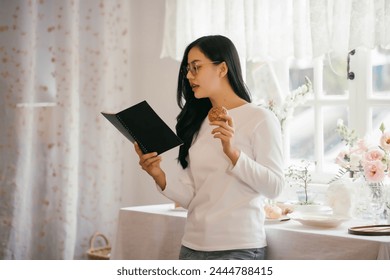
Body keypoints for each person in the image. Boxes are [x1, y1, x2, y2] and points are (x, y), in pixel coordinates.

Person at [134, 35, 285, 260]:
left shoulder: (260, 118)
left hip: (239, 248)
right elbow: (192, 197)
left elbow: (275, 187)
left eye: (196, 67)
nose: (188, 75)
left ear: (222, 68)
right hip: (192, 247)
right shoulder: (197, 123)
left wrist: (233, 154)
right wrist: (158, 175)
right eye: (187, 69)